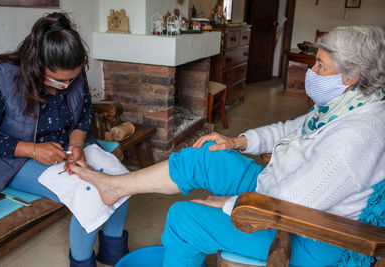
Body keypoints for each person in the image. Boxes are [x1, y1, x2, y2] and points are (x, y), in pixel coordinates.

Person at [71, 25, 385, 266]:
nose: (311, 71)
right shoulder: (345, 104)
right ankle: (114, 187)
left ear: (351, 76)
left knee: (184, 219)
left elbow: (290, 204)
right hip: (279, 188)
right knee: (205, 156)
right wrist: (237, 141)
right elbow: (292, 129)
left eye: (320, 65)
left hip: (307, 234)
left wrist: (225, 203)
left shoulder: (357, 137)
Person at [0, 13, 129, 267]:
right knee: (90, 193)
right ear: (35, 64)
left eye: (72, 79)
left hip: (66, 146)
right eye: (59, 80)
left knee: (121, 180)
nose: (66, 86)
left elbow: (84, 113)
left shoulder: (74, 72)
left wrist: (76, 143)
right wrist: (32, 149)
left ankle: (114, 254)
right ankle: (83, 262)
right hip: (13, 159)